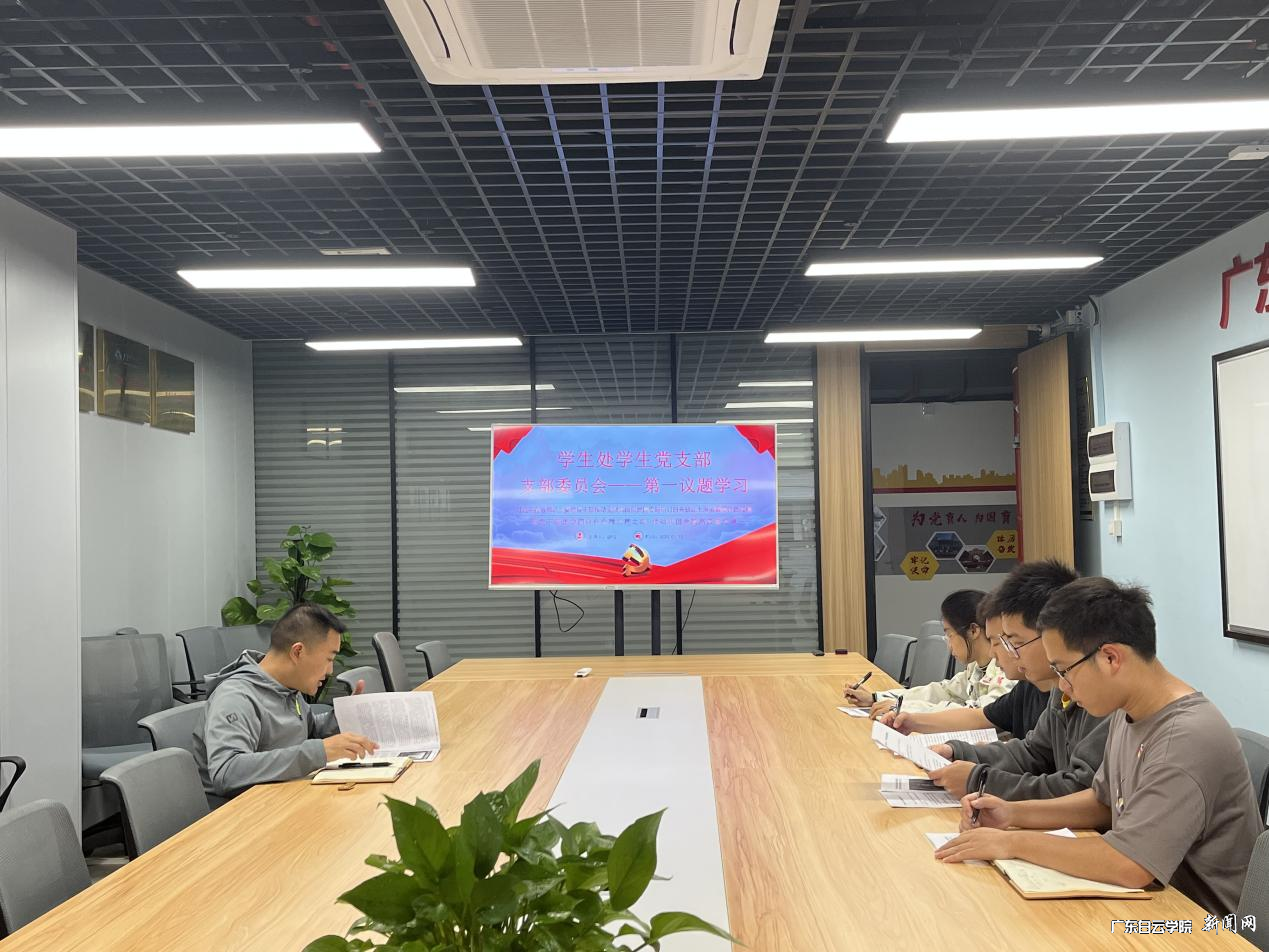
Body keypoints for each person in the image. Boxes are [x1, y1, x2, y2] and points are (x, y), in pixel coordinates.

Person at [935, 577, 1263, 918]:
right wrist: (1013, 814)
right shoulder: (1129, 710)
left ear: (1110, 658)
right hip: (1153, 902)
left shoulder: (1184, 738)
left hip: (1204, 926)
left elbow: (1130, 865)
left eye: (1064, 670)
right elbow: (1103, 802)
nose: (1063, 686)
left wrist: (1011, 842)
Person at [923, 560, 1109, 801]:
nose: (1005, 653)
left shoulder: (1103, 696)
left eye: (1015, 642)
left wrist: (982, 781)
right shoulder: (1062, 686)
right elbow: (1035, 751)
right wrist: (959, 752)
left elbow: (1085, 792)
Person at [194, 603, 379, 800]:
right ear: (298, 652)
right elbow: (227, 772)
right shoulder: (236, 697)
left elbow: (308, 729)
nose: (330, 671)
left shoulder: (287, 687)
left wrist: (344, 716)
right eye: (328, 659)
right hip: (246, 812)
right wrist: (319, 752)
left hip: (285, 799)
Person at [885, 590, 1048, 739]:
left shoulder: (1012, 677)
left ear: (973, 631)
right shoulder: (1020, 686)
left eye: (1013, 642)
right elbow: (956, 698)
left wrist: (908, 710)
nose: (992, 652)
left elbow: (978, 715)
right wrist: (901, 709)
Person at [843, 590, 1014, 716]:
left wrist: (902, 708)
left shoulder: (1005, 671)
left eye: (949, 635)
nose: (949, 645)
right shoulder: (976, 667)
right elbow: (942, 692)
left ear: (973, 631)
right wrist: (876, 698)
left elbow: (978, 713)